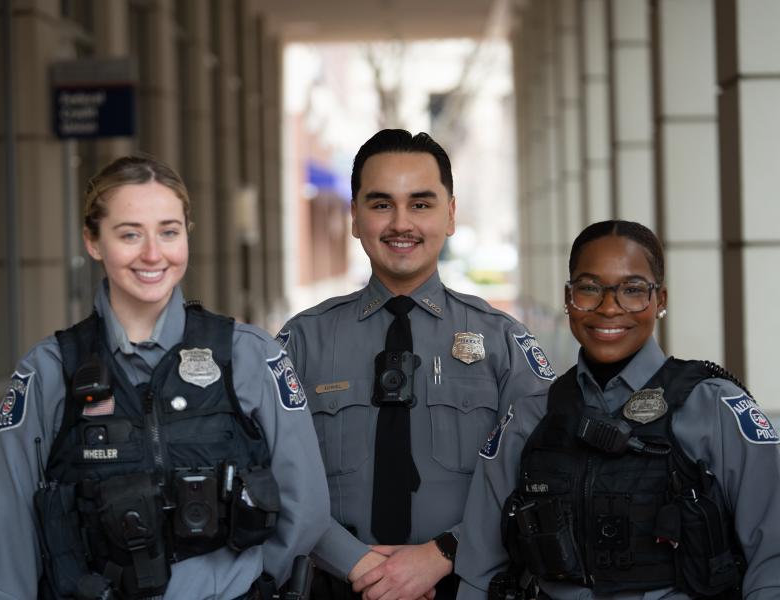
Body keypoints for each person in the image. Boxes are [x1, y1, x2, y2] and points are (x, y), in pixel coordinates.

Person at [0, 155, 329, 599]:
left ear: (187, 233)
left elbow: (307, 507)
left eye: (168, 231)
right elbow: (8, 537)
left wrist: (247, 585)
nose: (152, 254)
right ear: (92, 241)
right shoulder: (47, 371)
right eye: (129, 234)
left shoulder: (249, 355)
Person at [277, 129, 553, 600]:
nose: (401, 223)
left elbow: (544, 477)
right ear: (354, 216)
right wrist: (358, 565)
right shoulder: (301, 342)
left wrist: (442, 554)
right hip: (334, 587)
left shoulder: (504, 342)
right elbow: (275, 478)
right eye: (381, 204)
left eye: (421, 204)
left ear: (450, 214)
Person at [455, 219, 780, 600]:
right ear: (568, 298)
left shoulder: (717, 411)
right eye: (589, 288)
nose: (609, 308)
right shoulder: (529, 419)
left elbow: (772, 564)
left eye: (632, 290)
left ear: (661, 300)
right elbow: (479, 573)